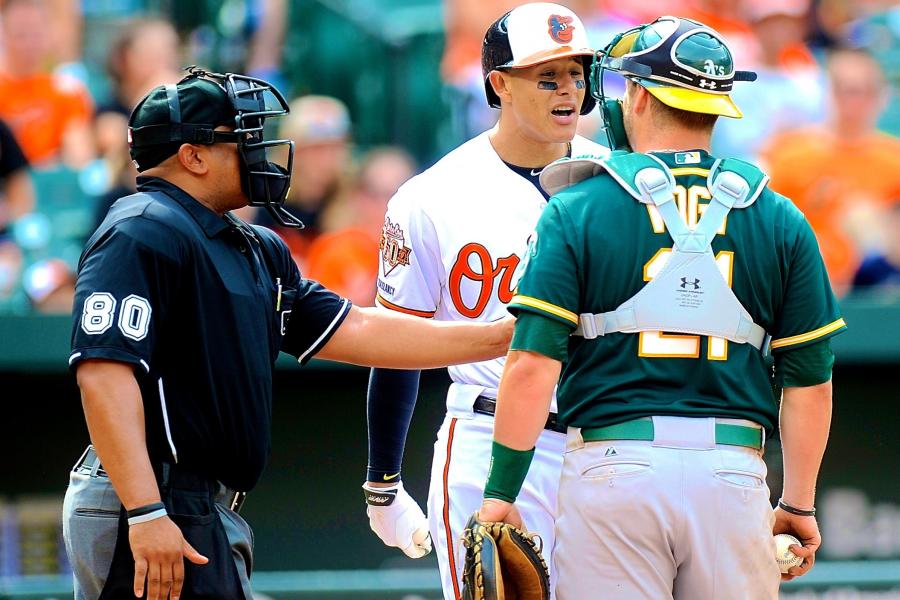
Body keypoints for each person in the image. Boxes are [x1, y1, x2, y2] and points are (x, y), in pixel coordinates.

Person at [62, 68, 513, 600]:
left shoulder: (253, 245)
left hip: (201, 504)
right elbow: (102, 372)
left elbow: (361, 329)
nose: (263, 150)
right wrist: (145, 512)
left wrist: (501, 337)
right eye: (244, 138)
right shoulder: (143, 227)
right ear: (194, 156)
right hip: (148, 497)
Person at [477, 16, 846, 599]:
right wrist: (797, 501)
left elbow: (530, 367)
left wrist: (500, 493)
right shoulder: (779, 216)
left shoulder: (577, 206)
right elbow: (809, 382)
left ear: (642, 95)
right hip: (733, 473)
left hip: (613, 468)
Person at [361, 4, 607, 597]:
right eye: (547, 78)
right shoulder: (433, 196)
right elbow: (398, 344)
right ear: (499, 84)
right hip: (486, 429)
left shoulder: (618, 184)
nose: (567, 91)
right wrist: (383, 482)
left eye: (576, 75)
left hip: (605, 441)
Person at [762, 47, 900, 295]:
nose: (854, 102)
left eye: (864, 91)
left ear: (880, 96)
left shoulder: (893, 157)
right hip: (806, 283)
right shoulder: (790, 152)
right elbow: (768, 229)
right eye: (845, 90)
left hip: (877, 288)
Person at [0, 0, 94, 168]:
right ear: (5, 35)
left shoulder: (67, 91)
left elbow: (79, 159)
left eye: (37, 34)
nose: (29, 44)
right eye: (20, 34)